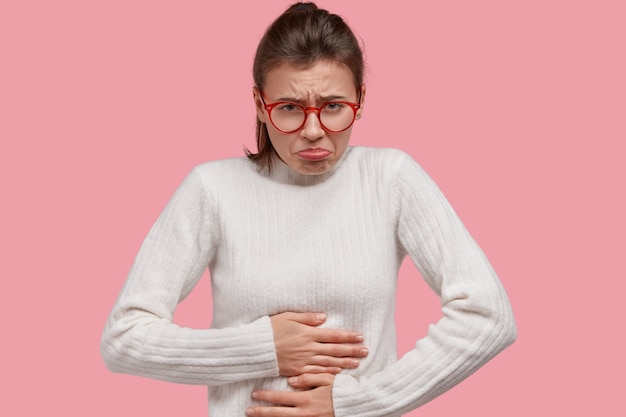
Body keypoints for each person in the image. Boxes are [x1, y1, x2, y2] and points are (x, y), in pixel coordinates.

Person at [100, 2, 517, 416]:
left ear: (361, 98)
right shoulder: (212, 188)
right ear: (261, 106)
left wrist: (357, 402)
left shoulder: (390, 178)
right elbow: (125, 339)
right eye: (289, 109)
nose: (314, 131)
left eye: (334, 106)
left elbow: (488, 316)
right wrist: (265, 348)